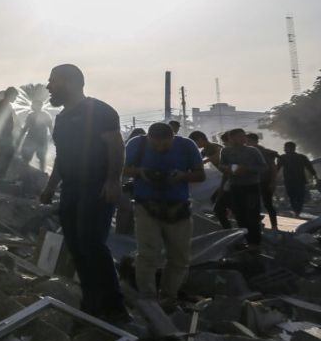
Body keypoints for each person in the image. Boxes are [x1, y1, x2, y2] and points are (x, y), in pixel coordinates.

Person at [39, 64, 128, 322]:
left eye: (52, 81)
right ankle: (91, 303)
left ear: (70, 82)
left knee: (92, 242)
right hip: (71, 189)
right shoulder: (62, 118)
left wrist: (113, 181)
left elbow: (116, 147)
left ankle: (115, 307)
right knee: (76, 246)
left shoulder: (100, 111)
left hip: (96, 187)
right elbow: (62, 157)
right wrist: (50, 187)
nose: (48, 86)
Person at [123, 123, 205, 308]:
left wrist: (182, 176)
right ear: (149, 139)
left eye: (165, 146)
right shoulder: (137, 144)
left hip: (178, 208)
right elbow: (120, 169)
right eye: (155, 145)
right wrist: (140, 172)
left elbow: (200, 175)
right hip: (146, 206)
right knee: (147, 254)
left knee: (179, 256)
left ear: (173, 138)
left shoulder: (187, 146)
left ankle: (169, 297)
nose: (160, 148)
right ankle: (148, 298)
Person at [218, 128, 267, 248]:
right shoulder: (225, 151)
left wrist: (248, 169)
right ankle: (245, 239)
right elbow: (221, 166)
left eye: (242, 136)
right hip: (235, 187)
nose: (241, 139)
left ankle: (255, 243)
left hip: (251, 187)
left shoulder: (253, 151)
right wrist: (229, 169)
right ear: (230, 138)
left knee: (253, 215)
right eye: (237, 136)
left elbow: (263, 167)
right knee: (239, 215)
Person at [246, 133, 280, 232]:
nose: (247, 143)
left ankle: (274, 226)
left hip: (264, 181)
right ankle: (258, 224)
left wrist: (272, 182)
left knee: (268, 204)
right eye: (247, 141)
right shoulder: (247, 152)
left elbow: (273, 168)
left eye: (249, 141)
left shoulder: (263, 152)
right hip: (252, 182)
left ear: (255, 141)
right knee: (252, 204)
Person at [278, 142, 319, 217]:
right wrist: (315, 176)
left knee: (293, 196)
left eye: (285, 147)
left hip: (290, 181)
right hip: (298, 180)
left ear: (289, 148)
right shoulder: (301, 157)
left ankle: (296, 211)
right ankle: (297, 211)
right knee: (298, 196)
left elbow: (277, 168)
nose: (284, 149)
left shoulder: (283, 157)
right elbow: (310, 168)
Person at [0, 87, 19, 180]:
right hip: (3, 135)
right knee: (5, 154)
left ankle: (0, 176)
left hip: (5, 135)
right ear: (10, 95)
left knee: (6, 154)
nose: (15, 98)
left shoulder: (6, 105)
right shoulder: (2, 105)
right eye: (15, 96)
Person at [19, 103, 53, 172]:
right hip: (42, 139)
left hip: (32, 138)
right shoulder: (46, 115)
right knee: (41, 158)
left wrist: (20, 137)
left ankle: (24, 174)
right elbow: (50, 127)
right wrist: (53, 137)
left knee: (26, 158)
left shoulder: (31, 115)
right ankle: (41, 173)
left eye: (33, 105)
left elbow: (26, 127)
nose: (31, 106)